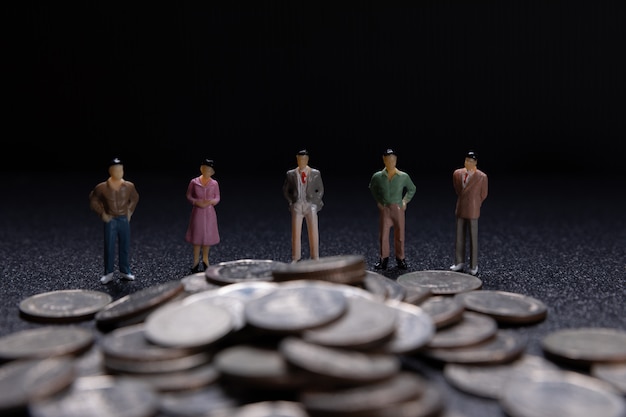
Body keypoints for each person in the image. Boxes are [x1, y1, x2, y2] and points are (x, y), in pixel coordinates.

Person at [89, 157, 140, 284]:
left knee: (124, 245)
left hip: (123, 219)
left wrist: (129, 211)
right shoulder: (102, 187)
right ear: (110, 171)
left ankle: (125, 271)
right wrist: (102, 213)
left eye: (121, 170)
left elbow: (135, 198)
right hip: (110, 219)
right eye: (116, 170)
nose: (119, 172)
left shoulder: (128, 186)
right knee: (109, 246)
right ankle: (108, 273)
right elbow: (93, 200)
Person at [369, 148, 416, 270]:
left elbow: (412, 188)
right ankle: (383, 259)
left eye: (393, 160)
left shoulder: (403, 176)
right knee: (383, 235)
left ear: (396, 160)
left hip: (398, 208)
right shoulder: (378, 176)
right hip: (385, 208)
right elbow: (372, 188)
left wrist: (405, 201)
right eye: (388, 160)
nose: (390, 162)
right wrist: (379, 201)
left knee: (400, 235)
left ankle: (400, 259)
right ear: (384, 160)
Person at [450, 150, 488, 276]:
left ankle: (473, 265)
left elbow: (483, 194)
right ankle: (459, 262)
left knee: (473, 238)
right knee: (459, 237)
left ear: (475, 162)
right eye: (467, 160)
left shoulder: (481, 177)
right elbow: (457, 189)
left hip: (473, 209)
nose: (468, 163)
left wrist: (476, 203)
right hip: (461, 207)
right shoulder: (457, 173)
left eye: (471, 161)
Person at [283, 149, 324, 262]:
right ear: (297, 159)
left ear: (307, 159)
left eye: (304, 159)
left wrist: (315, 201)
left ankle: (315, 257)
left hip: (310, 205)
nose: (302, 161)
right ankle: (296, 258)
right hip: (297, 205)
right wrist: (291, 202)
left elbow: (320, 189)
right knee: (296, 232)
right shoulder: (291, 174)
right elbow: (286, 190)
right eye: (300, 159)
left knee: (313, 231)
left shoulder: (315, 173)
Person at [185, 158, 221, 273]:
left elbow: (217, 197)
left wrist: (211, 202)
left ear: (212, 172)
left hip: (209, 213)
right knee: (197, 236)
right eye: (205, 169)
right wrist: (196, 202)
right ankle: (195, 261)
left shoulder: (214, 183)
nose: (206, 172)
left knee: (207, 237)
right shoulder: (194, 182)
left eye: (209, 170)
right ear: (201, 169)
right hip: (198, 212)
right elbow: (189, 195)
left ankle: (205, 259)